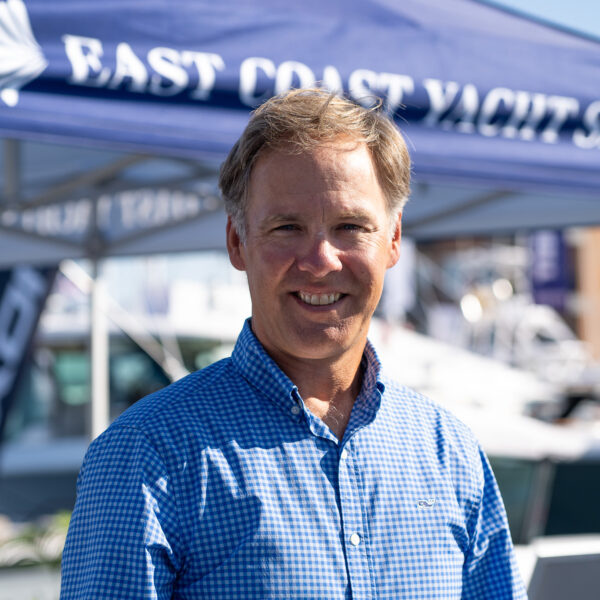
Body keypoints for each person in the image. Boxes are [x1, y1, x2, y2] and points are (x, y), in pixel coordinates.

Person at [61, 88, 527, 599]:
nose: (321, 260)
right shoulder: (147, 456)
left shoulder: (449, 454)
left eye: (350, 226)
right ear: (237, 242)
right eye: (287, 227)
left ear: (393, 239)